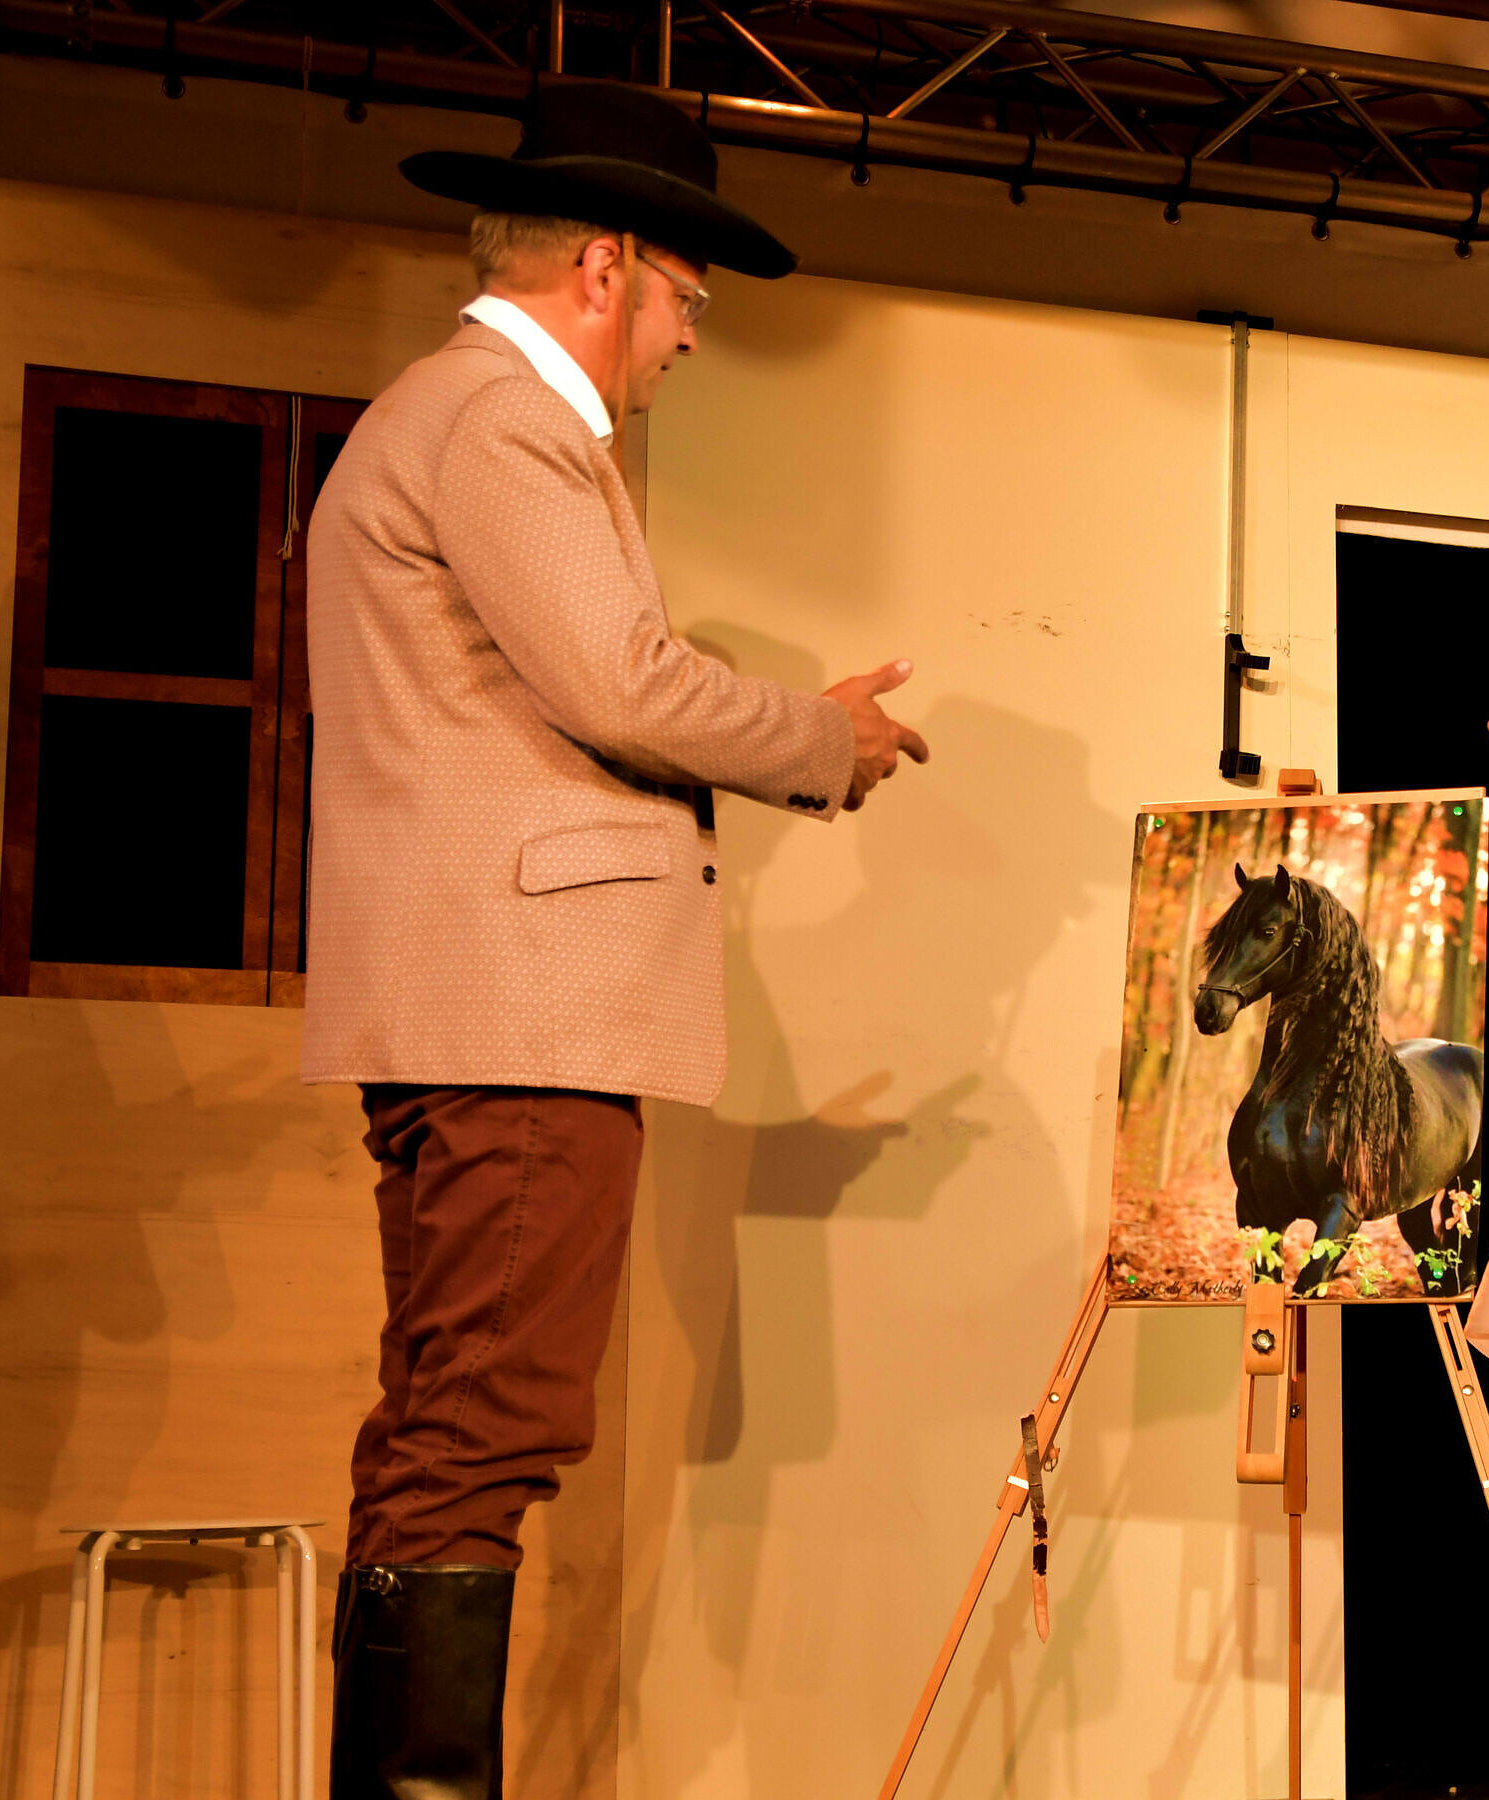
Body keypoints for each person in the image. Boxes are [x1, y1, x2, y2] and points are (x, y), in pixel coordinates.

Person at [301, 85, 929, 1799]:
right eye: (687, 299)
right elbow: (622, 684)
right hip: (521, 1021)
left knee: (446, 1427)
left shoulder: (450, 416)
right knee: (481, 1432)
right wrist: (823, 739)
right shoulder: (502, 420)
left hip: (472, 1011)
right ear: (605, 267)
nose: (689, 339)